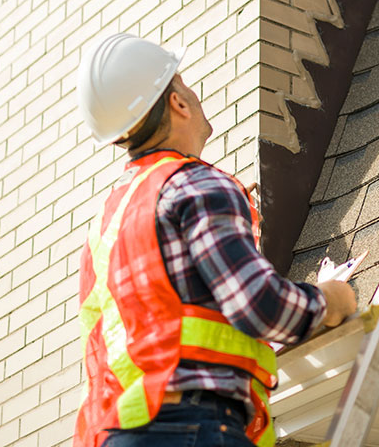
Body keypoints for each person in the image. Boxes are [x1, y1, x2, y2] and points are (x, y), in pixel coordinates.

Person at [72, 33, 357, 447]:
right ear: (178, 103)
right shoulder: (197, 185)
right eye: (183, 84)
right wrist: (332, 300)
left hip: (118, 432)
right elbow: (260, 305)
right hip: (189, 427)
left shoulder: (108, 222)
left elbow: (165, 317)